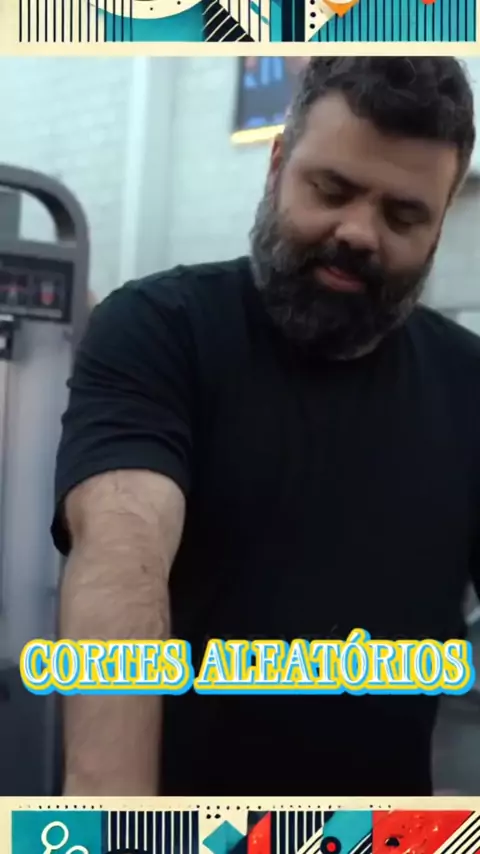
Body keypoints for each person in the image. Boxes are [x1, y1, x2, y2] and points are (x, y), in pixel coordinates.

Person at [52, 57, 480, 797]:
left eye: (403, 216)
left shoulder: (468, 384)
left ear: (440, 227)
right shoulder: (160, 330)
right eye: (332, 190)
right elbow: (123, 545)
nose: (358, 232)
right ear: (278, 165)